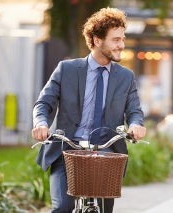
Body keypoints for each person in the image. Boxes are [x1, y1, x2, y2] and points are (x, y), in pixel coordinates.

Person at [31, 7, 146, 213]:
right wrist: (41, 124)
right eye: (116, 40)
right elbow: (44, 103)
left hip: (106, 153)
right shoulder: (66, 69)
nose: (121, 45)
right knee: (63, 208)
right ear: (97, 40)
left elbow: (134, 110)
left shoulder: (126, 76)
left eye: (122, 39)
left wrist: (136, 125)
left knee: (104, 208)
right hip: (67, 151)